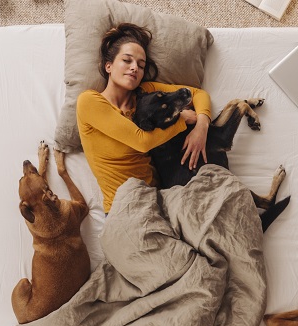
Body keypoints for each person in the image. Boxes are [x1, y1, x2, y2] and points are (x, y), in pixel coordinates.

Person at [76, 23, 212, 214]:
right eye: (127, 60)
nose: (134, 68)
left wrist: (201, 128)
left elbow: (198, 94)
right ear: (108, 66)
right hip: (124, 209)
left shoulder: (145, 95)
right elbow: (142, 141)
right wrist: (182, 119)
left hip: (159, 200)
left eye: (141, 66)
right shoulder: (89, 101)